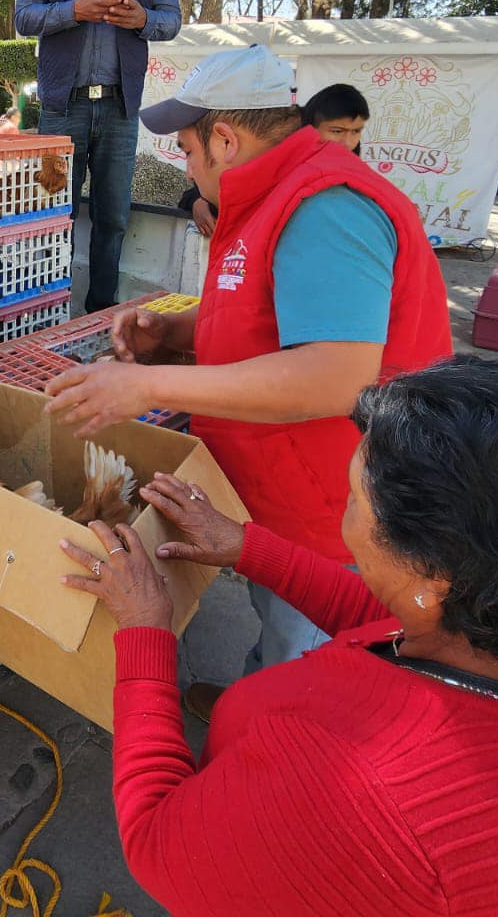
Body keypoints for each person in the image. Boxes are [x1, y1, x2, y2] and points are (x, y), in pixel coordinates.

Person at [58, 357, 498, 917]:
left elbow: (156, 845)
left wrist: (146, 634)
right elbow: (397, 620)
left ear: (436, 571)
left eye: (356, 498)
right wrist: (248, 547)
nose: (345, 510)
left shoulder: (361, 796)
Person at [43, 44, 453, 715]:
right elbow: (264, 303)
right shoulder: (272, 195)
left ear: (225, 139)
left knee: (309, 659)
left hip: (343, 512)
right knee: (280, 628)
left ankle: (257, 752)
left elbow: (336, 377)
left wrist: (148, 387)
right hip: (290, 493)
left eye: (187, 148)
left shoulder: (327, 205)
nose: (187, 162)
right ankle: (251, 697)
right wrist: (175, 333)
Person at [15, 0, 181, 312]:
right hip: (60, 108)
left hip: (120, 109)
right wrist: (75, 10)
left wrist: (143, 20)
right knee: (52, 217)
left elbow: (171, 18)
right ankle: (44, 316)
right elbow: (25, 15)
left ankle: (102, 320)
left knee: (112, 219)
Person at [301, 82, 369, 154]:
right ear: (310, 129)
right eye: (337, 131)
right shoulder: (293, 162)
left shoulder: (355, 162)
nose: (348, 143)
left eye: (355, 131)